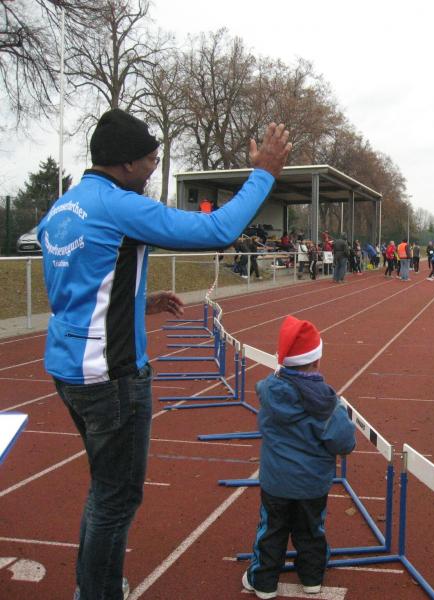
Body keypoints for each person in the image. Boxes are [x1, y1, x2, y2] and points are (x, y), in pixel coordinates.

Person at [38, 109, 291, 599]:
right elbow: (217, 231)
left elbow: (74, 292)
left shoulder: (63, 208)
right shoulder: (119, 205)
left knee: (104, 490)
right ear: (126, 164)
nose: (155, 167)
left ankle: (95, 584)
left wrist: (138, 302)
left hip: (68, 369)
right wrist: (264, 174)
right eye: (151, 159)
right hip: (112, 376)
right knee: (116, 499)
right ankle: (98, 592)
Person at [244, 316, 356, 599]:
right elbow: (345, 443)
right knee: (311, 532)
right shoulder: (327, 405)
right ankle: (312, 579)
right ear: (316, 360)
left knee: (271, 530)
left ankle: (263, 582)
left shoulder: (269, 395)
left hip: (275, 483)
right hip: (311, 485)